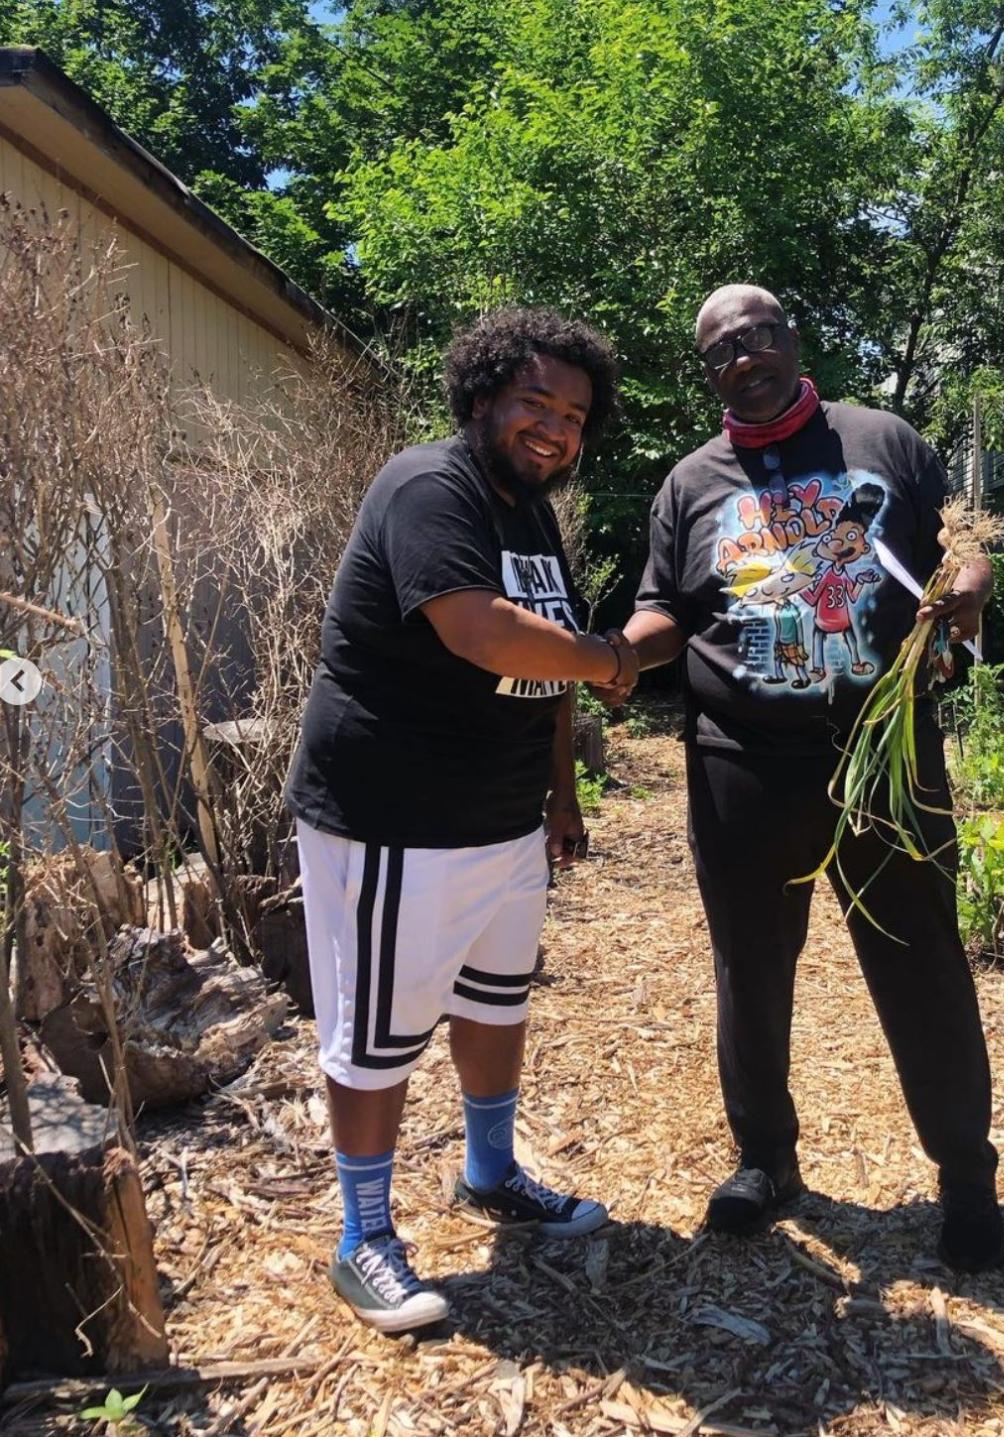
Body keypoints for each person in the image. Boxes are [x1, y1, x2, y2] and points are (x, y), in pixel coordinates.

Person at [603, 284, 1004, 1271]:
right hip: (743, 767)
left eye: (762, 334)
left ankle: (966, 1178)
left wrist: (970, 590)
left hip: (885, 758)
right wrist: (608, 655)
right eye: (724, 349)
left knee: (923, 962)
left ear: (792, 339)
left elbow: (963, 561)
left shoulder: (883, 441)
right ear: (709, 373)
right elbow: (664, 613)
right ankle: (767, 1162)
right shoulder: (689, 486)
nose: (747, 355)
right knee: (750, 969)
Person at [284, 308, 637, 1332]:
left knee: (495, 1003)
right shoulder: (427, 487)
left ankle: (489, 1174)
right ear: (481, 395)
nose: (554, 428)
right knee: (375, 1038)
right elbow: (487, 634)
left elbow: (551, 643)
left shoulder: (529, 512)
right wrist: (621, 659)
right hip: (394, 816)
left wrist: (561, 795)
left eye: (573, 415)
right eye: (535, 401)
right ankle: (364, 1238)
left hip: (500, 818)